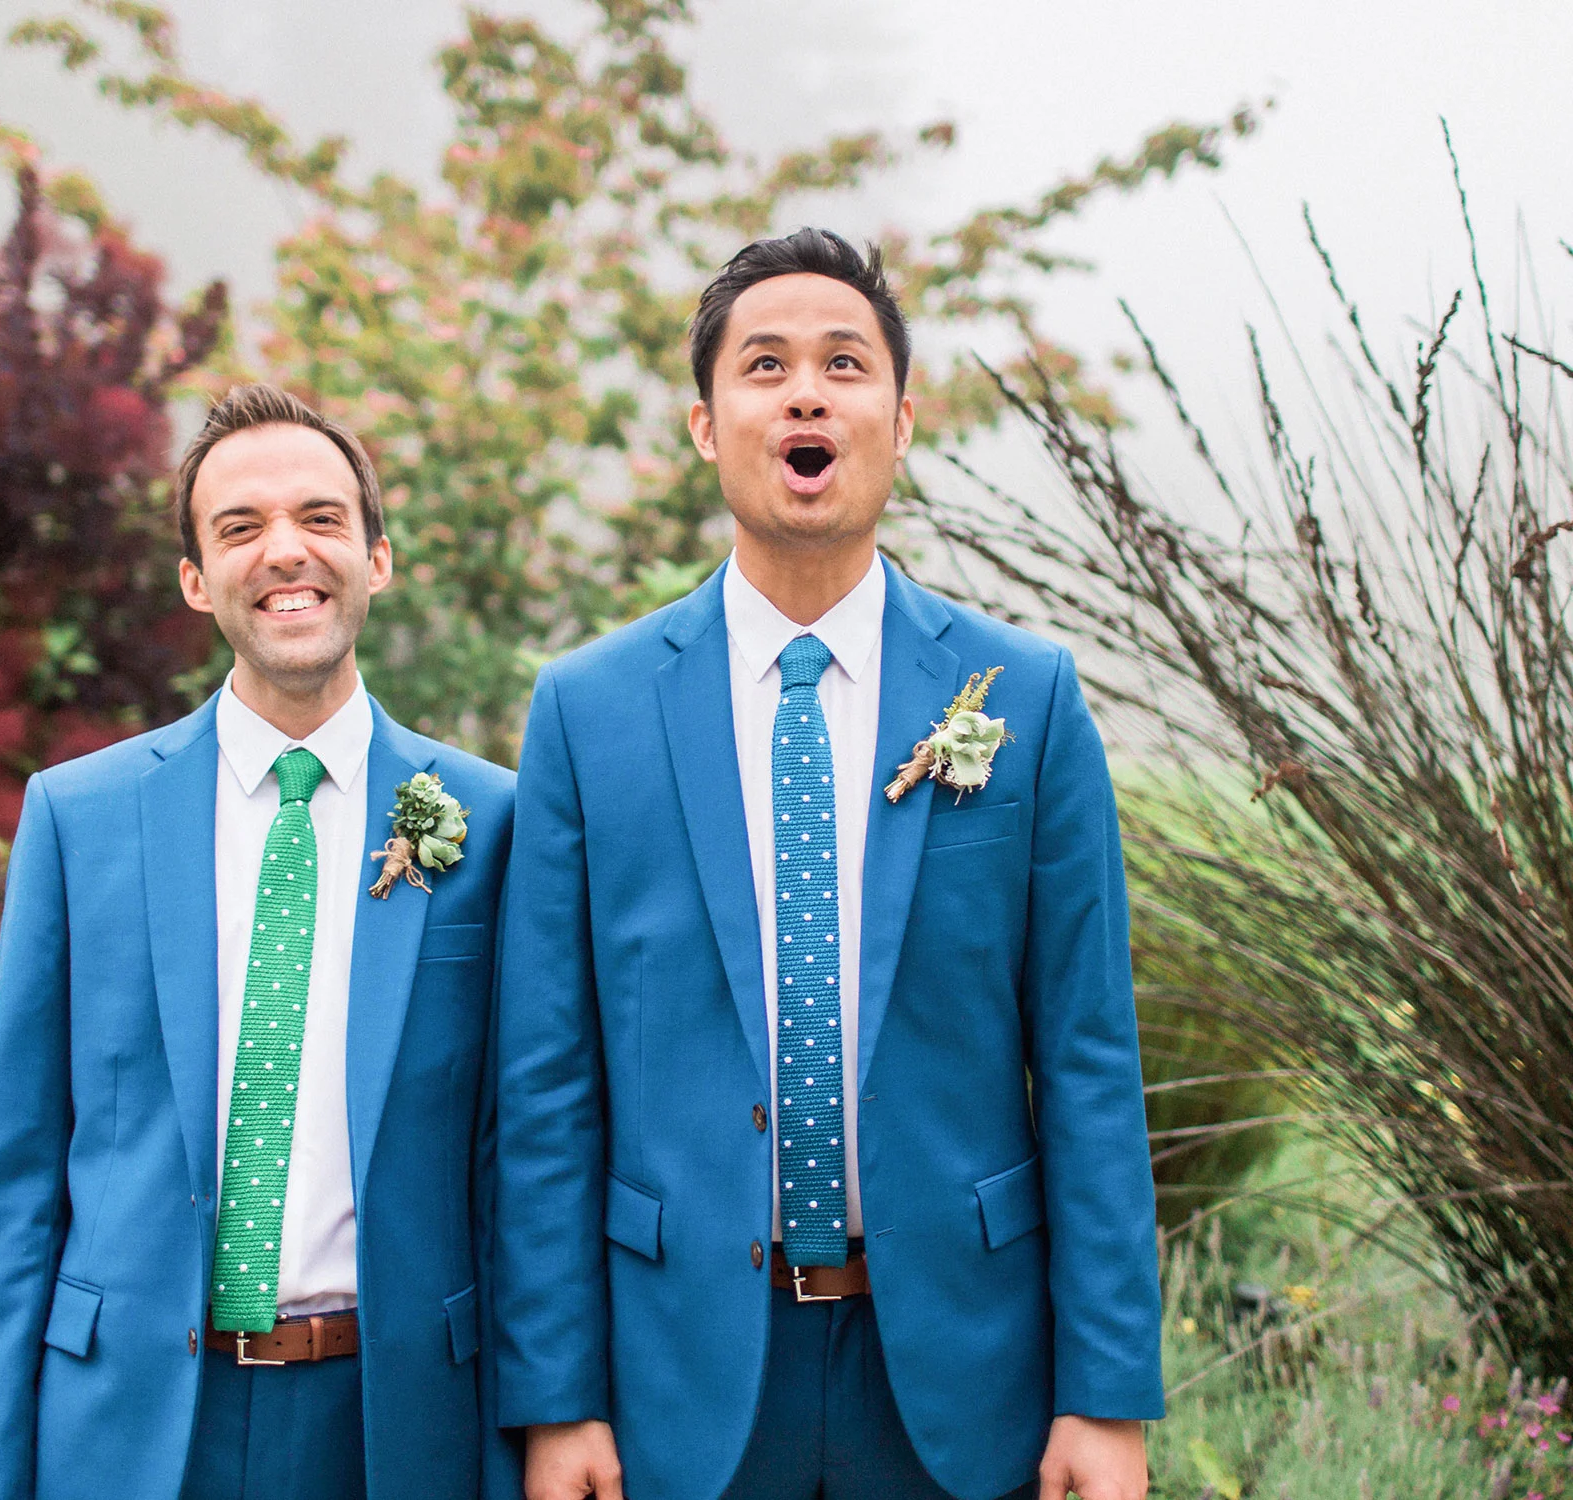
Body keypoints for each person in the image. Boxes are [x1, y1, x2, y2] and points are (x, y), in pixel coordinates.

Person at [494, 228, 1162, 1500]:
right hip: (675, 1380)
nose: (805, 391)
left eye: (843, 364)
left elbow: (1085, 1060)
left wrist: (1106, 1392)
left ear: (899, 420)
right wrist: (554, 1400)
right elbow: (545, 1086)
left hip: (965, 1382)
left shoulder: (1022, 698)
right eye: (764, 365)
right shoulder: (588, 711)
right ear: (705, 424)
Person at [0, 384, 519, 1500]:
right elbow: (12, 1183)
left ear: (377, 558)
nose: (284, 553)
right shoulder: (78, 820)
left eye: (320, 518)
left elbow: (518, 1169)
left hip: (396, 1427)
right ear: (196, 581)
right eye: (239, 528)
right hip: (131, 1429)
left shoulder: (491, 825)